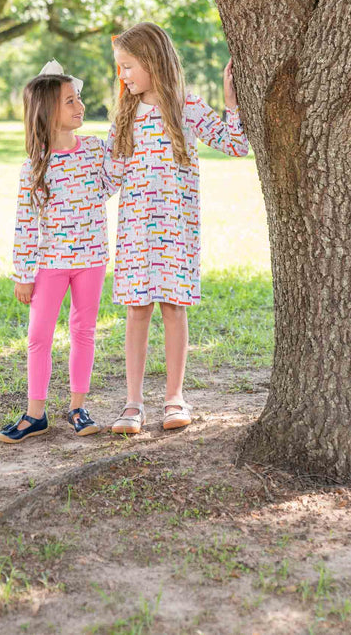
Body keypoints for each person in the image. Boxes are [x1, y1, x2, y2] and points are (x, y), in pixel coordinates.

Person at [105, 23, 249, 434]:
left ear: (152, 61)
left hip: (176, 232)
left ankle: (174, 398)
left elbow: (235, 144)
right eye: (120, 68)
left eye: (129, 66)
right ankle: (132, 403)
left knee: (173, 308)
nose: (124, 76)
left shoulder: (186, 107)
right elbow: (107, 179)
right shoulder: (126, 116)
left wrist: (231, 102)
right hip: (135, 234)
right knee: (137, 311)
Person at [0, 60, 113, 443]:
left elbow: (112, 183)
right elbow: (26, 224)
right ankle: (35, 414)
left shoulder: (95, 149)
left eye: (78, 98)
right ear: (48, 111)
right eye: (69, 101)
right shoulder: (34, 166)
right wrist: (23, 273)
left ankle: (78, 408)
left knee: (83, 331)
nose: (80, 106)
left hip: (92, 259)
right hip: (49, 265)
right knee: (39, 335)